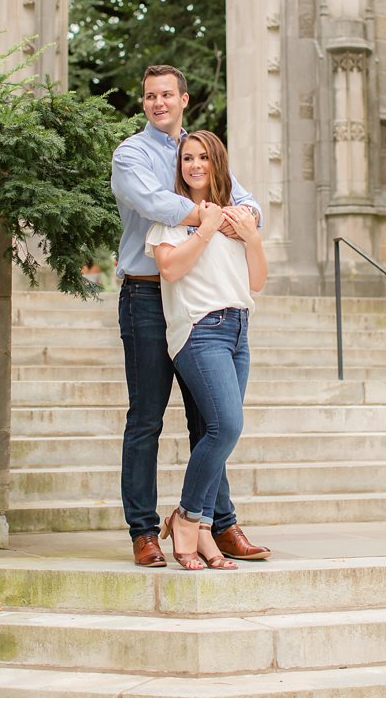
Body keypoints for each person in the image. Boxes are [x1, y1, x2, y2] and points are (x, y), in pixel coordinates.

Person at [110, 65, 272, 567]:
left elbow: (246, 204)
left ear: (183, 99)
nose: (158, 103)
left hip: (202, 304)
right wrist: (209, 217)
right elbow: (154, 202)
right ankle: (143, 531)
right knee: (146, 418)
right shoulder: (131, 153)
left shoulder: (199, 150)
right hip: (146, 295)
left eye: (166, 95)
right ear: (144, 104)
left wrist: (240, 219)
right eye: (149, 96)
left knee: (213, 420)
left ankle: (218, 524)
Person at [148, 129, 267, 570]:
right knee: (226, 426)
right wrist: (204, 229)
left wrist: (250, 237)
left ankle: (202, 530)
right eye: (187, 159)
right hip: (200, 329)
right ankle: (187, 517)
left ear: (218, 163)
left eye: (203, 158)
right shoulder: (172, 217)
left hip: (238, 330)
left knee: (222, 430)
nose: (194, 165)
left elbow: (256, 281)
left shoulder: (237, 217)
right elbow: (169, 268)